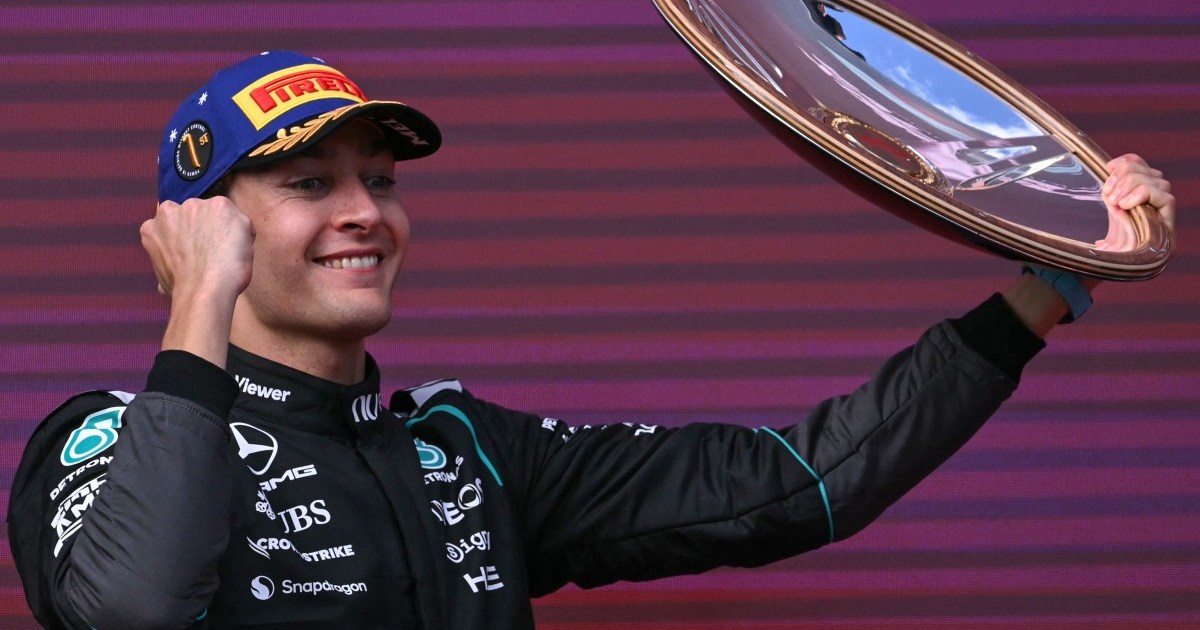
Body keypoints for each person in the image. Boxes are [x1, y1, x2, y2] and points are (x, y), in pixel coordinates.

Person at [7, 50, 1175, 630]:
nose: (366, 212)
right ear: (203, 226)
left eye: (382, 180)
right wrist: (198, 309)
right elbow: (135, 609)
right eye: (312, 183)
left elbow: (804, 481)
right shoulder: (103, 439)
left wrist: (1051, 282)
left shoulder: (464, 451)